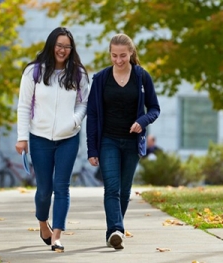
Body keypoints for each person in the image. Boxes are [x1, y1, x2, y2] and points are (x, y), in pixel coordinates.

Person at [15, 27, 89, 252]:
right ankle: (42, 224)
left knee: (62, 187)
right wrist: (22, 137)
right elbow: (24, 106)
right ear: (51, 45)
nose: (63, 50)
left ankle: (57, 235)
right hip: (40, 138)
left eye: (67, 46)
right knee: (44, 189)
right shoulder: (33, 72)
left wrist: (74, 121)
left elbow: (83, 103)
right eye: (59, 45)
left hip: (68, 138)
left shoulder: (78, 74)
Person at [86, 33, 160, 249]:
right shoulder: (101, 79)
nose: (118, 60)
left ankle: (115, 230)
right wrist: (92, 149)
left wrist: (143, 121)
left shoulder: (141, 77)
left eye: (123, 56)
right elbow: (93, 115)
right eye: (114, 56)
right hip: (108, 139)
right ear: (110, 54)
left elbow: (154, 108)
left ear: (131, 53)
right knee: (112, 188)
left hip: (131, 142)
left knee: (125, 190)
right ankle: (116, 230)